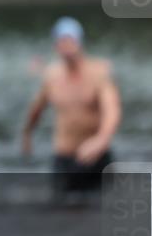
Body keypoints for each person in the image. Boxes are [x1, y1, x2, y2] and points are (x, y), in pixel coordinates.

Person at [21, 17, 121, 198]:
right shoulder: (52, 76)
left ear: (79, 42)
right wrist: (27, 133)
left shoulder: (98, 73)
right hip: (65, 157)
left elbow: (112, 110)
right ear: (56, 45)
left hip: (96, 155)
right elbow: (37, 108)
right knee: (63, 215)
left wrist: (102, 139)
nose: (66, 46)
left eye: (70, 40)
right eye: (62, 41)